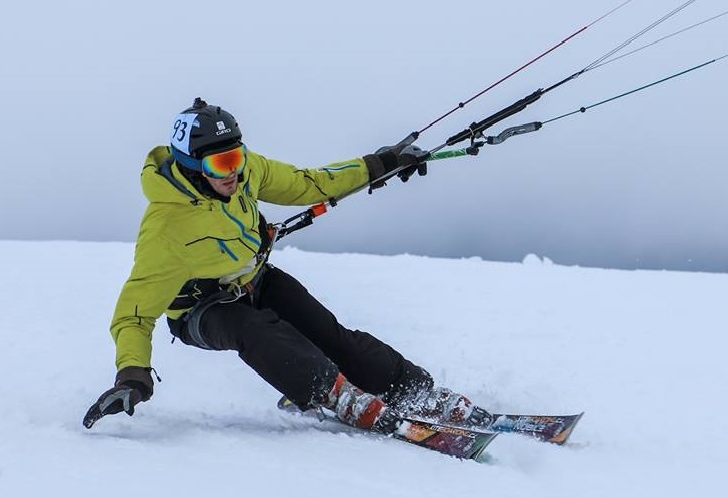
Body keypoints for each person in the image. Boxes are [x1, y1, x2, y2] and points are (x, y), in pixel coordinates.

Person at [83, 98, 493, 433]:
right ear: (193, 167)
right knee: (256, 329)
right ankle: (333, 393)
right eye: (221, 165)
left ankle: (414, 391)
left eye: (237, 157)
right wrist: (132, 375)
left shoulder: (246, 171)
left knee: (331, 335)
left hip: (254, 278)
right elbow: (134, 314)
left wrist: (381, 163)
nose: (236, 173)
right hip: (201, 311)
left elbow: (309, 183)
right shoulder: (166, 230)